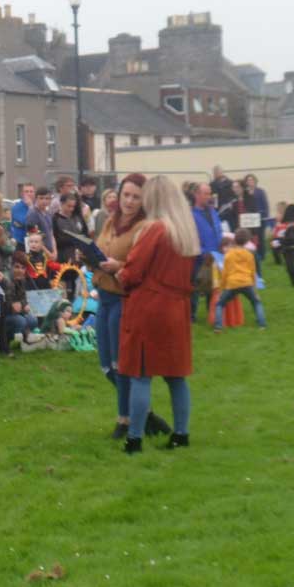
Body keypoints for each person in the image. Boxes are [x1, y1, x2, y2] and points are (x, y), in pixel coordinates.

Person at [116, 175, 198, 454]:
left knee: (140, 374)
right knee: (176, 375)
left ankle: (135, 438)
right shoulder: (185, 230)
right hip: (177, 307)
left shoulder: (154, 230)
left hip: (149, 307)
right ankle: (181, 433)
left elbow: (133, 272)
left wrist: (117, 271)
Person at [93, 173, 164, 440]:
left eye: (136, 196)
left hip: (125, 299)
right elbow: (101, 249)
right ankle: (144, 414)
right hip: (104, 297)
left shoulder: (144, 227)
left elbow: (142, 268)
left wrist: (117, 267)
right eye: (126, 195)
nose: (130, 201)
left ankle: (124, 420)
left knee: (121, 364)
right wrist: (90, 256)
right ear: (119, 194)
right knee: (106, 366)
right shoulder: (111, 221)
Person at [214, 229, 267, 332]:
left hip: (232, 283)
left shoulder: (228, 254)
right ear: (247, 241)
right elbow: (253, 272)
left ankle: (218, 326)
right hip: (247, 282)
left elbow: (225, 272)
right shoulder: (249, 255)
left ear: (234, 239)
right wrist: (255, 289)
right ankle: (262, 325)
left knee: (220, 304)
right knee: (256, 302)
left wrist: (222, 288)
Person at [190, 182, 220, 323]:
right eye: (206, 193)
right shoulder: (191, 215)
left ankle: (212, 313)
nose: (209, 197)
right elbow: (191, 239)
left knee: (214, 286)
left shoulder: (213, 212)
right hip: (200, 259)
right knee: (195, 287)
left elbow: (218, 231)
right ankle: (191, 316)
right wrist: (202, 252)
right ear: (196, 195)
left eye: (210, 193)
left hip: (216, 256)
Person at [5, 255, 41, 346]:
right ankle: (5, 340)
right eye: (17, 267)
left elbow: (23, 299)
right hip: (4, 314)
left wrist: (23, 304)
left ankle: (24, 338)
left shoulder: (22, 281)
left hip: (17, 312)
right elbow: (7, 304)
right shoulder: (6, 281)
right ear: (11, 267)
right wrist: (15, 305)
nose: (20, 270)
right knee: (21, 321)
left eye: (23, 268)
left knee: (33, 320)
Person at [242, 174, 269, 262]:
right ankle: (252, 254)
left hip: (260, 217)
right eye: (248, 180)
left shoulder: (260, 191)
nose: (250, 182)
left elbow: (265, 204)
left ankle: (262, 255)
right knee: (251, 237)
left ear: (255, 181)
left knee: (260, 237)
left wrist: (265, 215)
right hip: (250, 219)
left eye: (251, 180)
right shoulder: (245, 193)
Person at [25, 187, 57, 252]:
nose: (44, 201)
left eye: (47, 198)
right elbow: (32, 238)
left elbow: (51, 234)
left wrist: (54, 251)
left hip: (50, 250)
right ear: (36, 199)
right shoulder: (33, 213)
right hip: (38, 253)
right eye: (41, 198)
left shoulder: (48, 213)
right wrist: (49, 254)